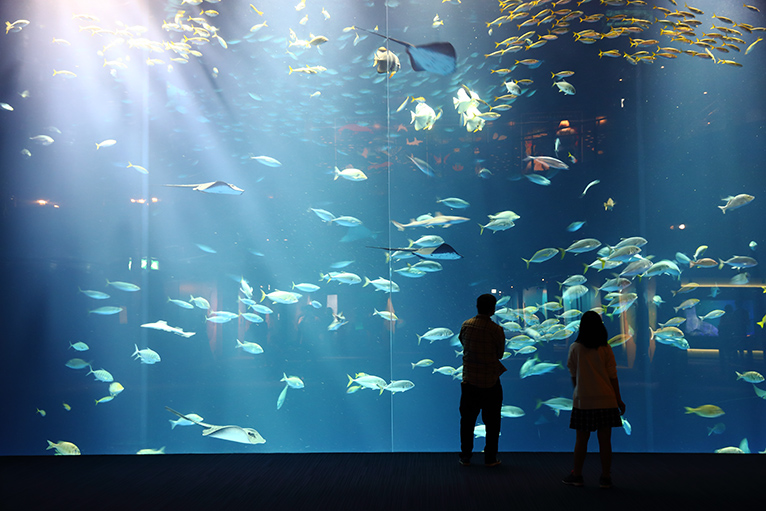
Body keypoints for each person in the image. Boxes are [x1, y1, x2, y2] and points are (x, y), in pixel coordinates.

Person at [563, 310, 626, 488]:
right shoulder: (605, 348)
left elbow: (573, 374)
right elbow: (613, 376)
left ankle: (578, 475)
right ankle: (606, 477)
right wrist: (619, 399)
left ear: (581, 327)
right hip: (606, 400)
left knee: (581, 440)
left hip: (584, 401)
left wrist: (579, 391)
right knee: (605, 440)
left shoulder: (575, 348)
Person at [458, 293, 506, 467]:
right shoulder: (496, 330)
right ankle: (490, 458)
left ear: (477, 306)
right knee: (492, 422)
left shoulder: (466, 325)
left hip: (469, 381)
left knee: (467, 420)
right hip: (490, 382)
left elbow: (463, 343)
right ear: (492, 309)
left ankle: (465, 456)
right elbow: (500, 354)